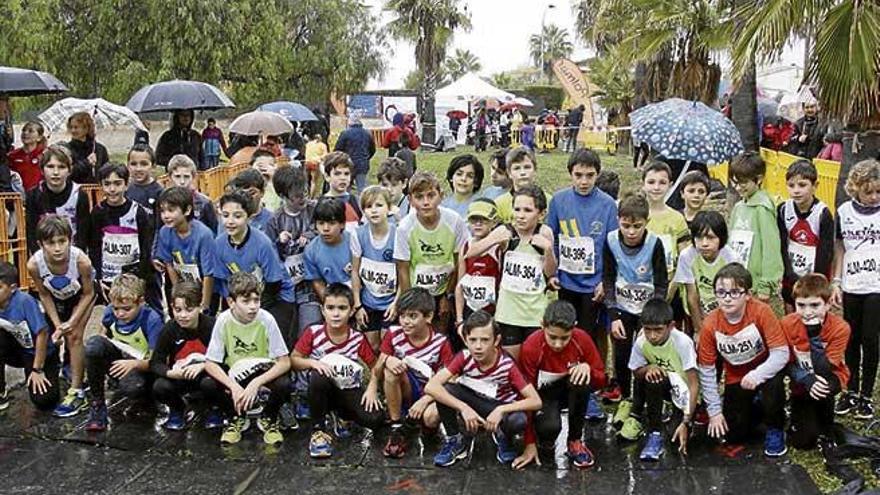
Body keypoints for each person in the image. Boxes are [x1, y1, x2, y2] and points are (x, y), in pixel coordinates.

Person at [426, 311, 542, 467]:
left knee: (518, 419)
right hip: (473, 402)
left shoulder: (507, 364)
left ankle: (503, 436)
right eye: (473, 340)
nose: (478, 346)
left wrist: (501, 410)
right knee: (445, 389)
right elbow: (431, 386)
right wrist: (464, 408)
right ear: (465, 340)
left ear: (496, 340)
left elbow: (535, 401)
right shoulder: (464, 357)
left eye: (485, 340)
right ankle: (455, 439)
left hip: (497, 406)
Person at [698, 263, 789, 457]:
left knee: (773, 387)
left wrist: (758, 374)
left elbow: (781, 353)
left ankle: (775, 427)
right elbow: (706, 370)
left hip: (765, 373)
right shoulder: (710, 324)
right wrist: (714, 412)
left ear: (747, 294)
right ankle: (756, 407)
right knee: (734, 434)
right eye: (721, 292)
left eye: (734, 292)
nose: (727, 298)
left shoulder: (761, 312)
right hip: (737, 378)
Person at [291, 283, 384, 458]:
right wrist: (312, 363)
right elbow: (294, 360)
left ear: (350, 311)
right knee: (319, 376)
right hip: (321, 389)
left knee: (375, 419)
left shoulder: (357, 338)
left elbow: (376, 366)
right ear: (322, 310)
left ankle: (342, 416)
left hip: (347, 387)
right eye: (330, 308)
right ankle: (318, 431)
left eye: (342, 308)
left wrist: (372, 386)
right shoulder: (313, 332)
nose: (335, 313)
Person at [602, 193, 667, 438]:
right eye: (626, 225)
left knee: (641, 357)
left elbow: (661, 282)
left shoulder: (654, 243)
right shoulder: (610, 241)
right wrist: (613, 314)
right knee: (621, 354)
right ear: (618, 220)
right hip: (621, 309)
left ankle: (639, 406)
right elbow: (607, 277)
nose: (631, 231)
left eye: (637, 226)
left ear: (646, 222)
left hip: (646, 312)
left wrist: (651, 318)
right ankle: (626, 398)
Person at [467, 184, 555, 360]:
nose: (521, 216)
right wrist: (493, 240)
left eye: (528, 210)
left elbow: (550, 273)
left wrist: (548, 250)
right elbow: (470, 252)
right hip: (508, 311)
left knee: (532, 362)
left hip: (535, 312)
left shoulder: (544, 233)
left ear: (541, 214)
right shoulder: (506, 231)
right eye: (517, 209)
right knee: (510, 364)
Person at [514, 300, 606, 470]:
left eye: (564, 338)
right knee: (549, 430)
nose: (558, 344)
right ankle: (543, 435)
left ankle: (575, 440)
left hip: (571, 391)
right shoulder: (531, 347)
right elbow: (525, 394)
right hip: (543, 396)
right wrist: (529, 442)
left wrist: (588, 368)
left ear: (574, 328)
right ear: (542, 325)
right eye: (552, 337)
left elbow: (601, 380)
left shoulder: (582, 339)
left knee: (581, 382)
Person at [203, 272, 291, 445]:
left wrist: (256, 383)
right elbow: (210, 362)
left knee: (284, 383)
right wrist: (232, 386)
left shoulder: (267, 319)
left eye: (256, 300)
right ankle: (235, 418)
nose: (253, 307)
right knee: (208, 383)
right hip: (236, 373)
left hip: (261, 371)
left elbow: (284, 361)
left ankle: (269, 418)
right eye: (246, 301)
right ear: (231, 302)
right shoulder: (223, 320)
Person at [547, 148, 618, 349]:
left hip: (593, 286)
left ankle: (589, 375)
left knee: (588, 337)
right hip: (566, 282)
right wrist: (552, 273)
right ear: (570, 174)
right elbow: (551, 239)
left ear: (598, 174)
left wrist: (606, 281)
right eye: (578, 175)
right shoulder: (558, 201)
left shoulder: (608, 205)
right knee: (565, 331)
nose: (584, 181)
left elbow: (612, 247)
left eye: (590, 175)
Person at [27, 216, 95, 418]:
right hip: (55, 299)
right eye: (50, 243)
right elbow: (44, 294)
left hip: (81, 297)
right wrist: (57, 324)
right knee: (53, 336)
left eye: (62, 241)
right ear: (41, 244)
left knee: (73, 336)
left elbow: (89, 293)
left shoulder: (81, 261)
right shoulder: (34, 265)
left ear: (70, 240)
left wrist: (71, 322)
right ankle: (57, 373)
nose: (57, 248)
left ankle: (77, 391)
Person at [375, 288, 454, 458]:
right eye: (402, 316)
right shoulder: (393, 334)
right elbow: (377, 368)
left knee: (431, 417)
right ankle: (396, 427)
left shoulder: (441, 343)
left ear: (428, 317)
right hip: (406, 388)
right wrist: (387, 360)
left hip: (431, 393)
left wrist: (426, 400)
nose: (406, 322)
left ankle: (426, 429)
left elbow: (448, 382)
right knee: (390, 371)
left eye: (412, 316)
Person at [831, 159, 880, 419]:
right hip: (851, 284)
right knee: (851, 338)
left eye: (878, 192)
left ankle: (866, 395)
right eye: (867, 192)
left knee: (871, 340)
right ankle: (849, 390)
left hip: (876, 286)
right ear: (855, 188)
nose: (873, 197)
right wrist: (836, 281)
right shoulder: (844, 211)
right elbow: (839, 248)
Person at [214, 190, 297, 340]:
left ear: (249, 217)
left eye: (237, 216)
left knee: (270, 338)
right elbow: (224, 284)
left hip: (275, 297)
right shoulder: (219, 244)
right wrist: (236, 306)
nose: (230, 221)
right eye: (225, 215)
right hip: (241, 300)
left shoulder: (262, 243)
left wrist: (252, 308)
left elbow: (274, 283)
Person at [394, 171, 469, 337]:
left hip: (445, 287)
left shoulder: (454, 221)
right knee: (418, 334)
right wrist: (410, 306)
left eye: (431, 195)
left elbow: (460, 261)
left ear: (441, 196)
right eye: (419, 197)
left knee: (440, 336)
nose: (426, 202)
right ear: (410, 200)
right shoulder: (405, 227)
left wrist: (448, 295)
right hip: (417, 289)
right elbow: (403, 269)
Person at [84, 274, 164, 431]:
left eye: (126, 309)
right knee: (93, 344)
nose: (120, 314)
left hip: (143, 369)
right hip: (120, 364)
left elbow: (158, 362)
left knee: (133, 387)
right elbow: (102, 336)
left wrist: (134, 364)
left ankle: (147, 398)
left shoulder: (152, 319)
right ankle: (98, 404)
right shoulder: (109, 313)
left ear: (141, 302)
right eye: (116, 308)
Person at [782, 274, 850, 449]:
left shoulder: (840, 327)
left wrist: (814, 335)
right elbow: (785, 363)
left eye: (815, 305)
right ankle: (798, 409)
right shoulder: (787, 324)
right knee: (804, 442)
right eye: (801, 305)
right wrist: (806, 379)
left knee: (826, 386)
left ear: (827, 304)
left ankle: (826, 419)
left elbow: (824, 369)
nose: (807, 312)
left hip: (828, 377)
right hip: (802, 381)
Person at [628, 298, 699, 461]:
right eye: (647, 330)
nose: (652, 336)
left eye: (658, 330)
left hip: (685, 392)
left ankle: (685, 418)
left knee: (676, 438)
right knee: (652, 377)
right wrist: (648, 368)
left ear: (671, 326)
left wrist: (686, 421)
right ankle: (654, 432)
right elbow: (636, 371)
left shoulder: (683, 343)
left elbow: (694, 384)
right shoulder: (641, 342)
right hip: (664, 385)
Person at [80, 164, 155, 307]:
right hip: (109, 275)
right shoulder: (97, 212)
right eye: (107, 184)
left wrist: (142, 278)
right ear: (101, 186)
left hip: (133, 277)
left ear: (126, 185)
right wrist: (99, 278)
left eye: (117, 183)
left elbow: (146, 246)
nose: (112, 189)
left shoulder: (138, 212)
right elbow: (94, 247)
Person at [149, 281, 219, 431]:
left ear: (200, 306)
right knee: (160, 386)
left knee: (211, 383)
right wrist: (171, 373)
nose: (183, 315)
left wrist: (204, 366)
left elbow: (225, 359)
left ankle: (214, 408)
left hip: (206, 376)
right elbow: (155, 362)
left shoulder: (212, 326)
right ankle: (178, 408)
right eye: (178, 310)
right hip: (181, 377)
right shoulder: (170, 329)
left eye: (189, 310)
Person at [0, 261, 61, 412]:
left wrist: (37, 369)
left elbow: (42, 333)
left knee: (44, 400)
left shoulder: (24, 301)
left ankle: (53, 370)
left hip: (38, 352)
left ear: (13, 288)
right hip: (15, 349)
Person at [264, 166, 320, 332]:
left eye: (304, 192)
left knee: (308, 328)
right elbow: (270, 255)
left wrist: (310, 235)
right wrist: (280, 242)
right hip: (286, 285)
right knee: (287, 329)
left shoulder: (314, 209)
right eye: (296, 196)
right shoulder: (274, 220)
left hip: (311, 284)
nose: (302, 198)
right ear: (282, 195)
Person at [777, 160, 834, 312]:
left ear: (815, 186)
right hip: (791, 272)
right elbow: (781, 244)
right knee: (791, 313)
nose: (796, 190)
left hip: (815, 274)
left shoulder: (823, 213)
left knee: (812, 314)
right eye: (791, 185)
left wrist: (815, 279)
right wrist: (788, 273)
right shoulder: (783, 209)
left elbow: (826, 251)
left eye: (802, 185)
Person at [727, 151, 783, 303]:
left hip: (757, 285)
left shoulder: (762, 208)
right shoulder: (738, 207)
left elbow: (771, 247)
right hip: (738, 280)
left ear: (758, 179)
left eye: (743, 183)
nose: (738, 188)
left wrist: (767, 283)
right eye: (735, 182)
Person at [152, 186, 217, 312]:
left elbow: (209, 274)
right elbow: (169, 264)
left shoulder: (204, 235)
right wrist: (178, 295)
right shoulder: (165, 232)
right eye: (162, 211)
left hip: (205, 286)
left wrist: (204, 305)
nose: (166, 216)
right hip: (183, 283)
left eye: (171, 210)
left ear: (187, 210)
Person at [673, 211, 737, 336]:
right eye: (699, 237)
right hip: (696, 311)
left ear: (721, 237)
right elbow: (692, 294)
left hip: (723, 310)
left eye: (711, 237)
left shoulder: (730, 257)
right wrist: (699, 329)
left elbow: (733, 294)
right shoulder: (687, 256)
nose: (704, 243)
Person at [351, 186, 398, 353]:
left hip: (391, 302)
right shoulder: (359, 234)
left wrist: (396, 303)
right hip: (369, 301)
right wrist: (357, 305)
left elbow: (403, 273)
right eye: (368, 207)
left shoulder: (398, 235)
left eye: (379, 205)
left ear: (389, 208)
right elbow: (355, 272)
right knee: (373, 346)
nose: (374, 211)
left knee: (388, 345)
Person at [25, 145, 90, 256]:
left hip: (72, 254)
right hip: (44, 255)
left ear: (69, 170)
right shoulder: (33, 195)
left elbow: (83, 234)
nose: (55, 172)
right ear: (42, 170)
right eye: (50, 166)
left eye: (61, 167)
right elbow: (31, 232)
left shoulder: (79, 194)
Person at [455, 199, 501, 339]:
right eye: (474, 220)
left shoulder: (498, 248)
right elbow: (460, 285)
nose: (478, 224)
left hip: (491, 310)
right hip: (470, 308)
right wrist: (459, 318)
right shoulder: (465, 246)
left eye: (484, 220)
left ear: (493, 222)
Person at [303, 198, 353, 302]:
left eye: (332, 223)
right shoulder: (311, 251)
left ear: (342, 224)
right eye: (321, 223)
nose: (326, 228)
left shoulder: (354, 242)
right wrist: (331, 304)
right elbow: (317, 282)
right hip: (332, 297)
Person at [495, 147, 550, 224]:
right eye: (517, 168)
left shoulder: (549, 201)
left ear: (535, 170)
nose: (523, 172)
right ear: (509, 173)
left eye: (527, 167)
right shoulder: (499, 204)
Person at [167, 154, 218, 233]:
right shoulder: (164, 202)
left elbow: (214, 230)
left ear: (193, 177)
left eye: (186, 177)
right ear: (170, 178)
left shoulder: (204, 203)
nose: (182, 182)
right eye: (177, 176)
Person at [322, 151, 363, 233]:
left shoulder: (356, 201)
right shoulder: (321, 203)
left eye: (346, 174)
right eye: (337, 174)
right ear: (327, 176)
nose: (342, 178)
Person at [334, 113, 375, 193]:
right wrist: (366, 158)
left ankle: (347, 204)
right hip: (363, 164)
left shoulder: (345, 133)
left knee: (346, 187)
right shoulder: (367, 133)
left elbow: (338, 149)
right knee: (362, 187)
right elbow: (372, 149)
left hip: (348, 164)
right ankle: (363, 204)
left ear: (350, 122)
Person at [65, 112, 109, 184]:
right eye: (71, 127)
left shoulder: (100, 149)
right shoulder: (67, 149)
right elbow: (68, 173)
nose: (73, 130)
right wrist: (86, 163)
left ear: (86, 128)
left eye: (76, 127)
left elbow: (107, 172)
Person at [227, 169, 273, 234]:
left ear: (262, 192)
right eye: (242, 193)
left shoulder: (272, 220)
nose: (247, 197)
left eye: (252, 193)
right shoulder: (229, 220)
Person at [441, 154, 484, 219]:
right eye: (459, 174)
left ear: (476, 182)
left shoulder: (481, 206)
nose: (463, 179)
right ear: (451, 177)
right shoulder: (442, 205)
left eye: (470, 176)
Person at [125, 143, 163, 217]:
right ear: (128, 166)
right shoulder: (125, 190)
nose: (138, 169)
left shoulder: (159, 193)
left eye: (144, 164)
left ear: (153, 166)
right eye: (133, 164)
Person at [8, 120, 47, 191]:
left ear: (39, 137)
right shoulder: (12, 155)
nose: (25, 133)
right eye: (23, 130)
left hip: (40, 195)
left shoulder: (45, 154)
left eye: (30, 131)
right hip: (18, 195)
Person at [305, 134, 329, 199]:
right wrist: (319, 157)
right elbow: (325, 155)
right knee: (314, 182)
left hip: (307, 163)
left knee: (307, 181)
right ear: (320, 139)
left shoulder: (308, 144)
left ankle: (306, 195)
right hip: (315, 163)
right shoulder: (323, 145)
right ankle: (311, 197)